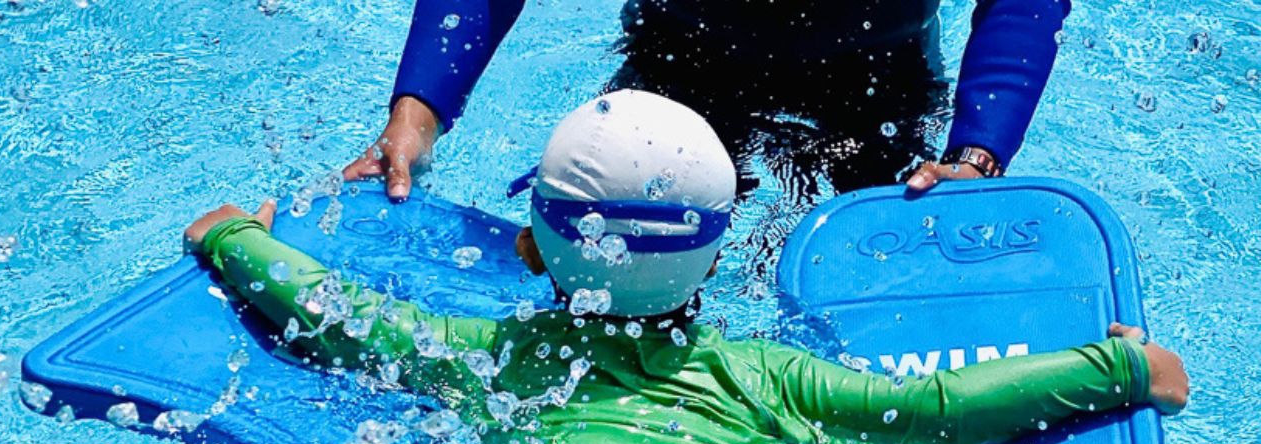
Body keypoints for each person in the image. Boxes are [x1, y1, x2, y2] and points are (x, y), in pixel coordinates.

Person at [191, 91, 1188, 444]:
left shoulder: (490, 359)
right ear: (718, 256)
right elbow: (929, 409)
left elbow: (346, 318)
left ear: (533, 248)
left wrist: (235, 239)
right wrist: (1115, 368)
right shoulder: (761, 379)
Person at [343, 0, 1070, 202]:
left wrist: (974, 156)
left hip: (873, 84)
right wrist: (417, 115)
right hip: (681, 61)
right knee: (614, 290)